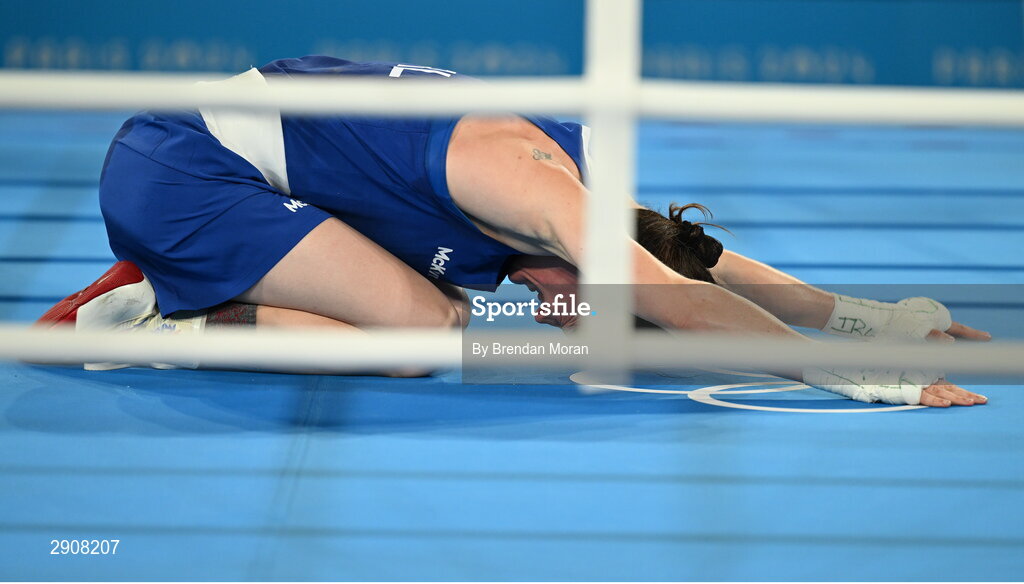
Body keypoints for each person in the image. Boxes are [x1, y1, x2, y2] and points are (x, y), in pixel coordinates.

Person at [38, 56, 990, 407]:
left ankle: (204, 282)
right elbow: (683, 297)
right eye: (593, 311)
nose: (579, 322)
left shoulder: (579, 205)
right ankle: (148, 313)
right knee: (422, 339)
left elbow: (697, 262)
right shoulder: (542, 195)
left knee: (437, 317)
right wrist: (873, 382)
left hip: (239, 165)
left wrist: (882, 320)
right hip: (182, 171)